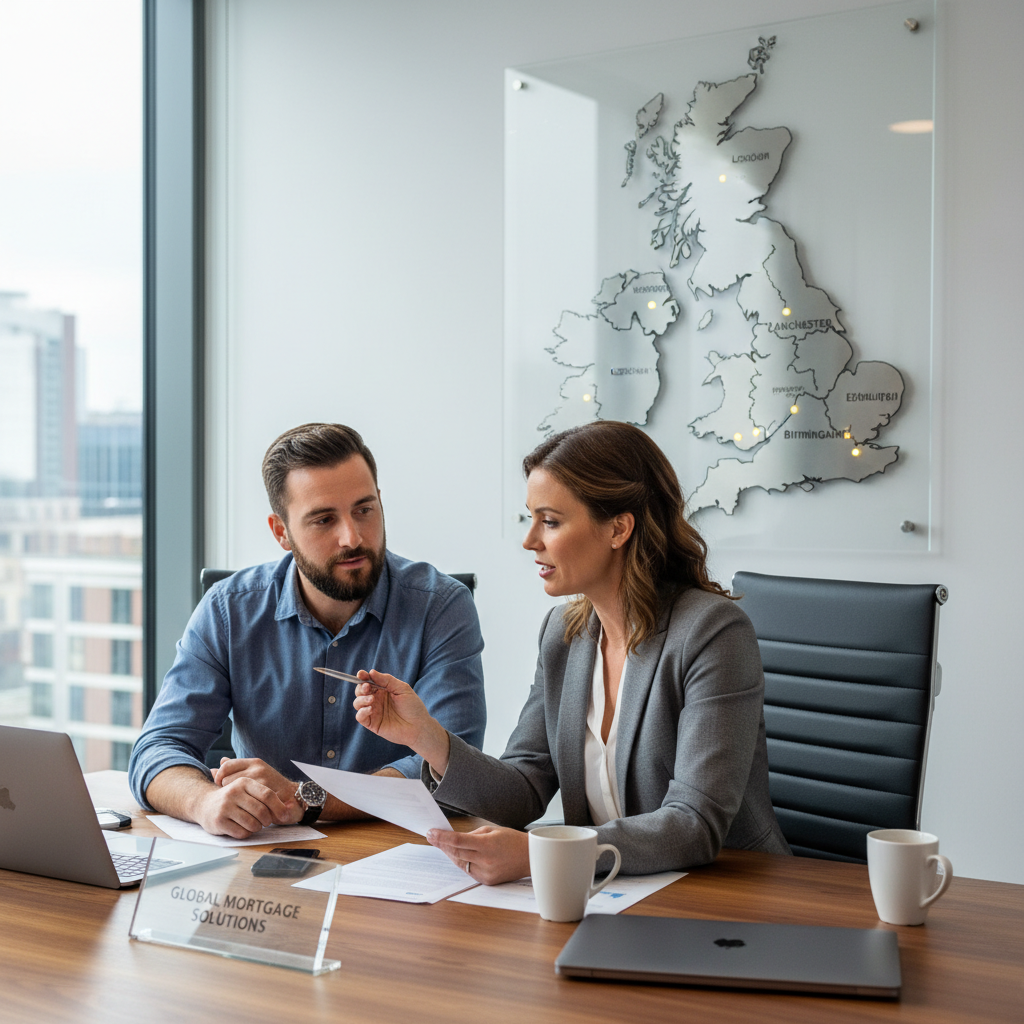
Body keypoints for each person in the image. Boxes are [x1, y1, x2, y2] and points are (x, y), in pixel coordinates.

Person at [351, 421, 789, 883]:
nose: (530, 541)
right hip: (614, 890)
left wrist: (545, 855)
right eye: (530, 518)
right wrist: (426, 737)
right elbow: (523, 789)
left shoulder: (711, 632)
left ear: (618, 528)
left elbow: (693, 824)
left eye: (551, 521)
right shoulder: (565, 634)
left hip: (728, 894)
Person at [129, 423, 486, 839]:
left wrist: (305, 798)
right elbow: (158, 748)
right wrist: (203, 802)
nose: (352, 537)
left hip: (397, 856)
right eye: (323, 519)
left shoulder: (441, 606)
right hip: (263, 860)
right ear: (281, 531)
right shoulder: (229, 610)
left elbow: (451, 767)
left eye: (364, 510)